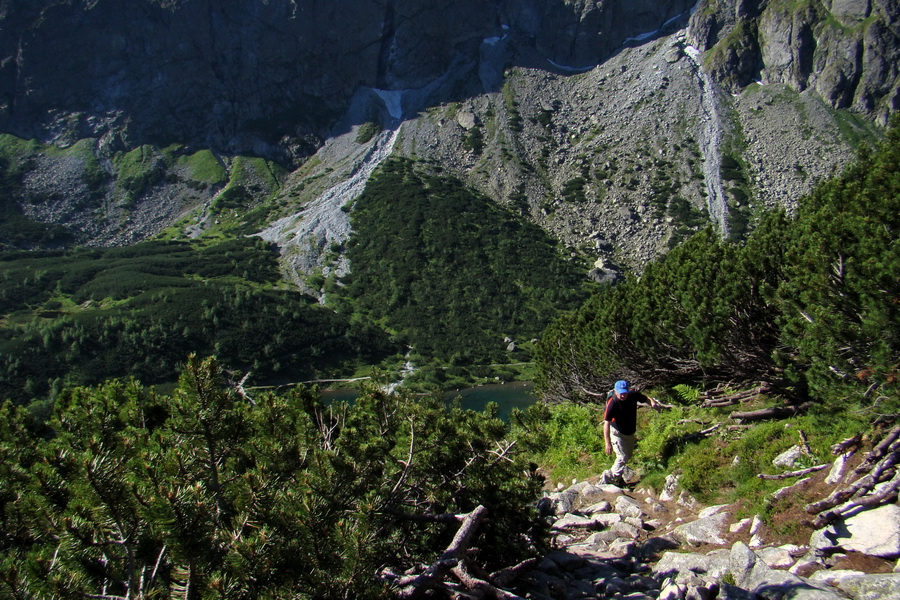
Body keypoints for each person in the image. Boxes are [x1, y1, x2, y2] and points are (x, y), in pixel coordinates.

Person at [598, 380, 657, 486]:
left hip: (629, 432)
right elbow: (606, 423)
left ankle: (617, 478)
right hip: (617, 432)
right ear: (615, 392)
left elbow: (646, 399)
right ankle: (609, 478)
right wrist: (607, 443)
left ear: (628, 391)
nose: (623, 395)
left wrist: (652, 403)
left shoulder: (633, 395)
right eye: (620, 393)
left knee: (628, 455)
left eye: (625, 392)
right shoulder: (613, 403)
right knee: (622, 457)